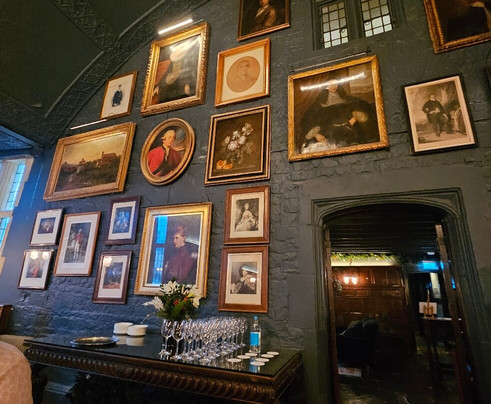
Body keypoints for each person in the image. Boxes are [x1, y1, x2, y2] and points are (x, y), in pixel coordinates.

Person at [299, 80, 377, 153]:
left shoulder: (346, 99)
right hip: (328, 136)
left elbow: (364, 105)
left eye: (335, 84)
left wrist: (355, 117)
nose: (333, 86)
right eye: (330, 84)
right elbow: (306, 120)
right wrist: (316, 134)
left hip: (349, 132)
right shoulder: (318, 104)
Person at [153, 38, 198, 104]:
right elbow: (167, 73)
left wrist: (187, 84)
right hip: (170, 83)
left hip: (180, 85)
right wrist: (158, 86)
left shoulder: (188, 63)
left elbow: (191, 73)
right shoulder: (172, 64)